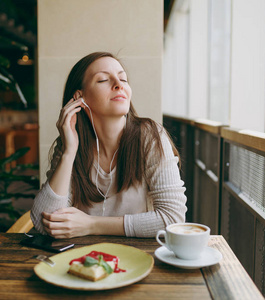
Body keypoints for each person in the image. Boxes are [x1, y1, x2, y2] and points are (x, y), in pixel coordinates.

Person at [31, 52, 186, 238]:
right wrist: (69, 152)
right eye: (103, 80)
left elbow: (173, 218)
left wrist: (91, 225)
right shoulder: (69, 143)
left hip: (139, 260)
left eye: (123, 78)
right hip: (83, 261)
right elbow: (43, 222)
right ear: (80, 97)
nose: (119, 84)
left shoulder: (150, 136)